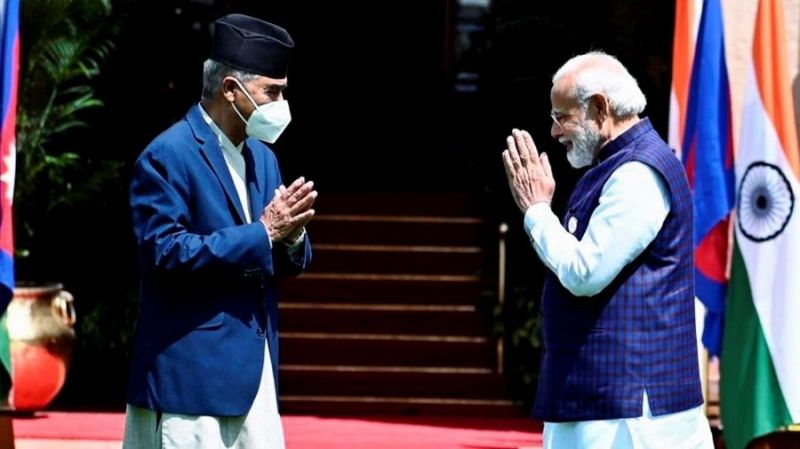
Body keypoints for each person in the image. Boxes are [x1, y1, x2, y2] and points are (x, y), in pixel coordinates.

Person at [501, 51, 714, 449]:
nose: (554, 132)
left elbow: (586, 273)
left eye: (560, 116)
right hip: (607, 403)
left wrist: (536, 211)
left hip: (629, 413)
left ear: (599, 107)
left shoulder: (638, 172)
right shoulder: (616, 165)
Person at [123, 13, 315, 449]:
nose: (281, 104)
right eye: (273, 92)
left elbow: (283, 254)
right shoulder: (167, 155)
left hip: (256, 372)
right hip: (189, 378)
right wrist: (264, 233)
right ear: (232, 90)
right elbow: (165, 252)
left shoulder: (262, 157)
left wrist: (292, 236)